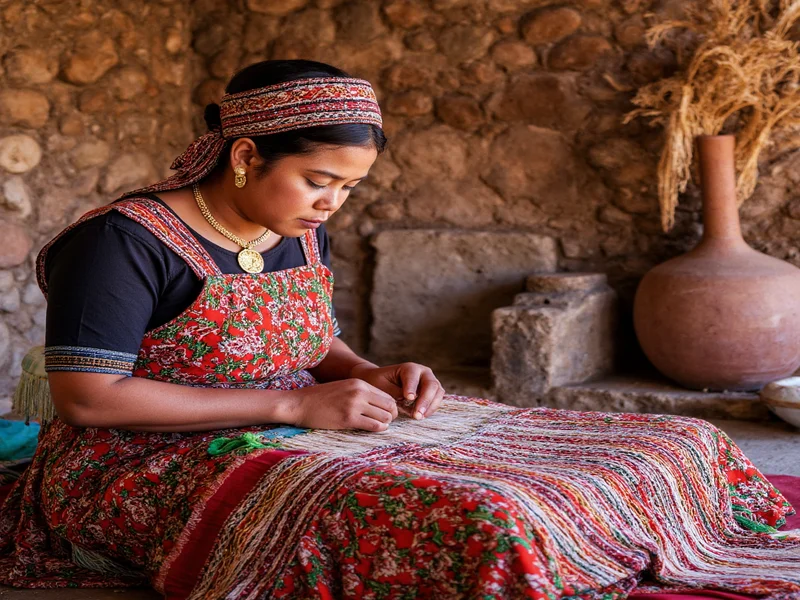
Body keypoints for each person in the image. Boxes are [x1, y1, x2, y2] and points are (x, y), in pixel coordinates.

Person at [0, 60, 797, 599]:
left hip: (289, 421)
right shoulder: (122, 241)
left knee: (673, 444)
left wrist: (370, 371)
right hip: (136, 461)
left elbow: (304, 341)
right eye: (319, 181)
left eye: (347, 187)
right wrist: (291, 412)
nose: (331, 204)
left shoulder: (296, 225)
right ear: (245, 154)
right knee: (493, 515)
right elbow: (89, 400)